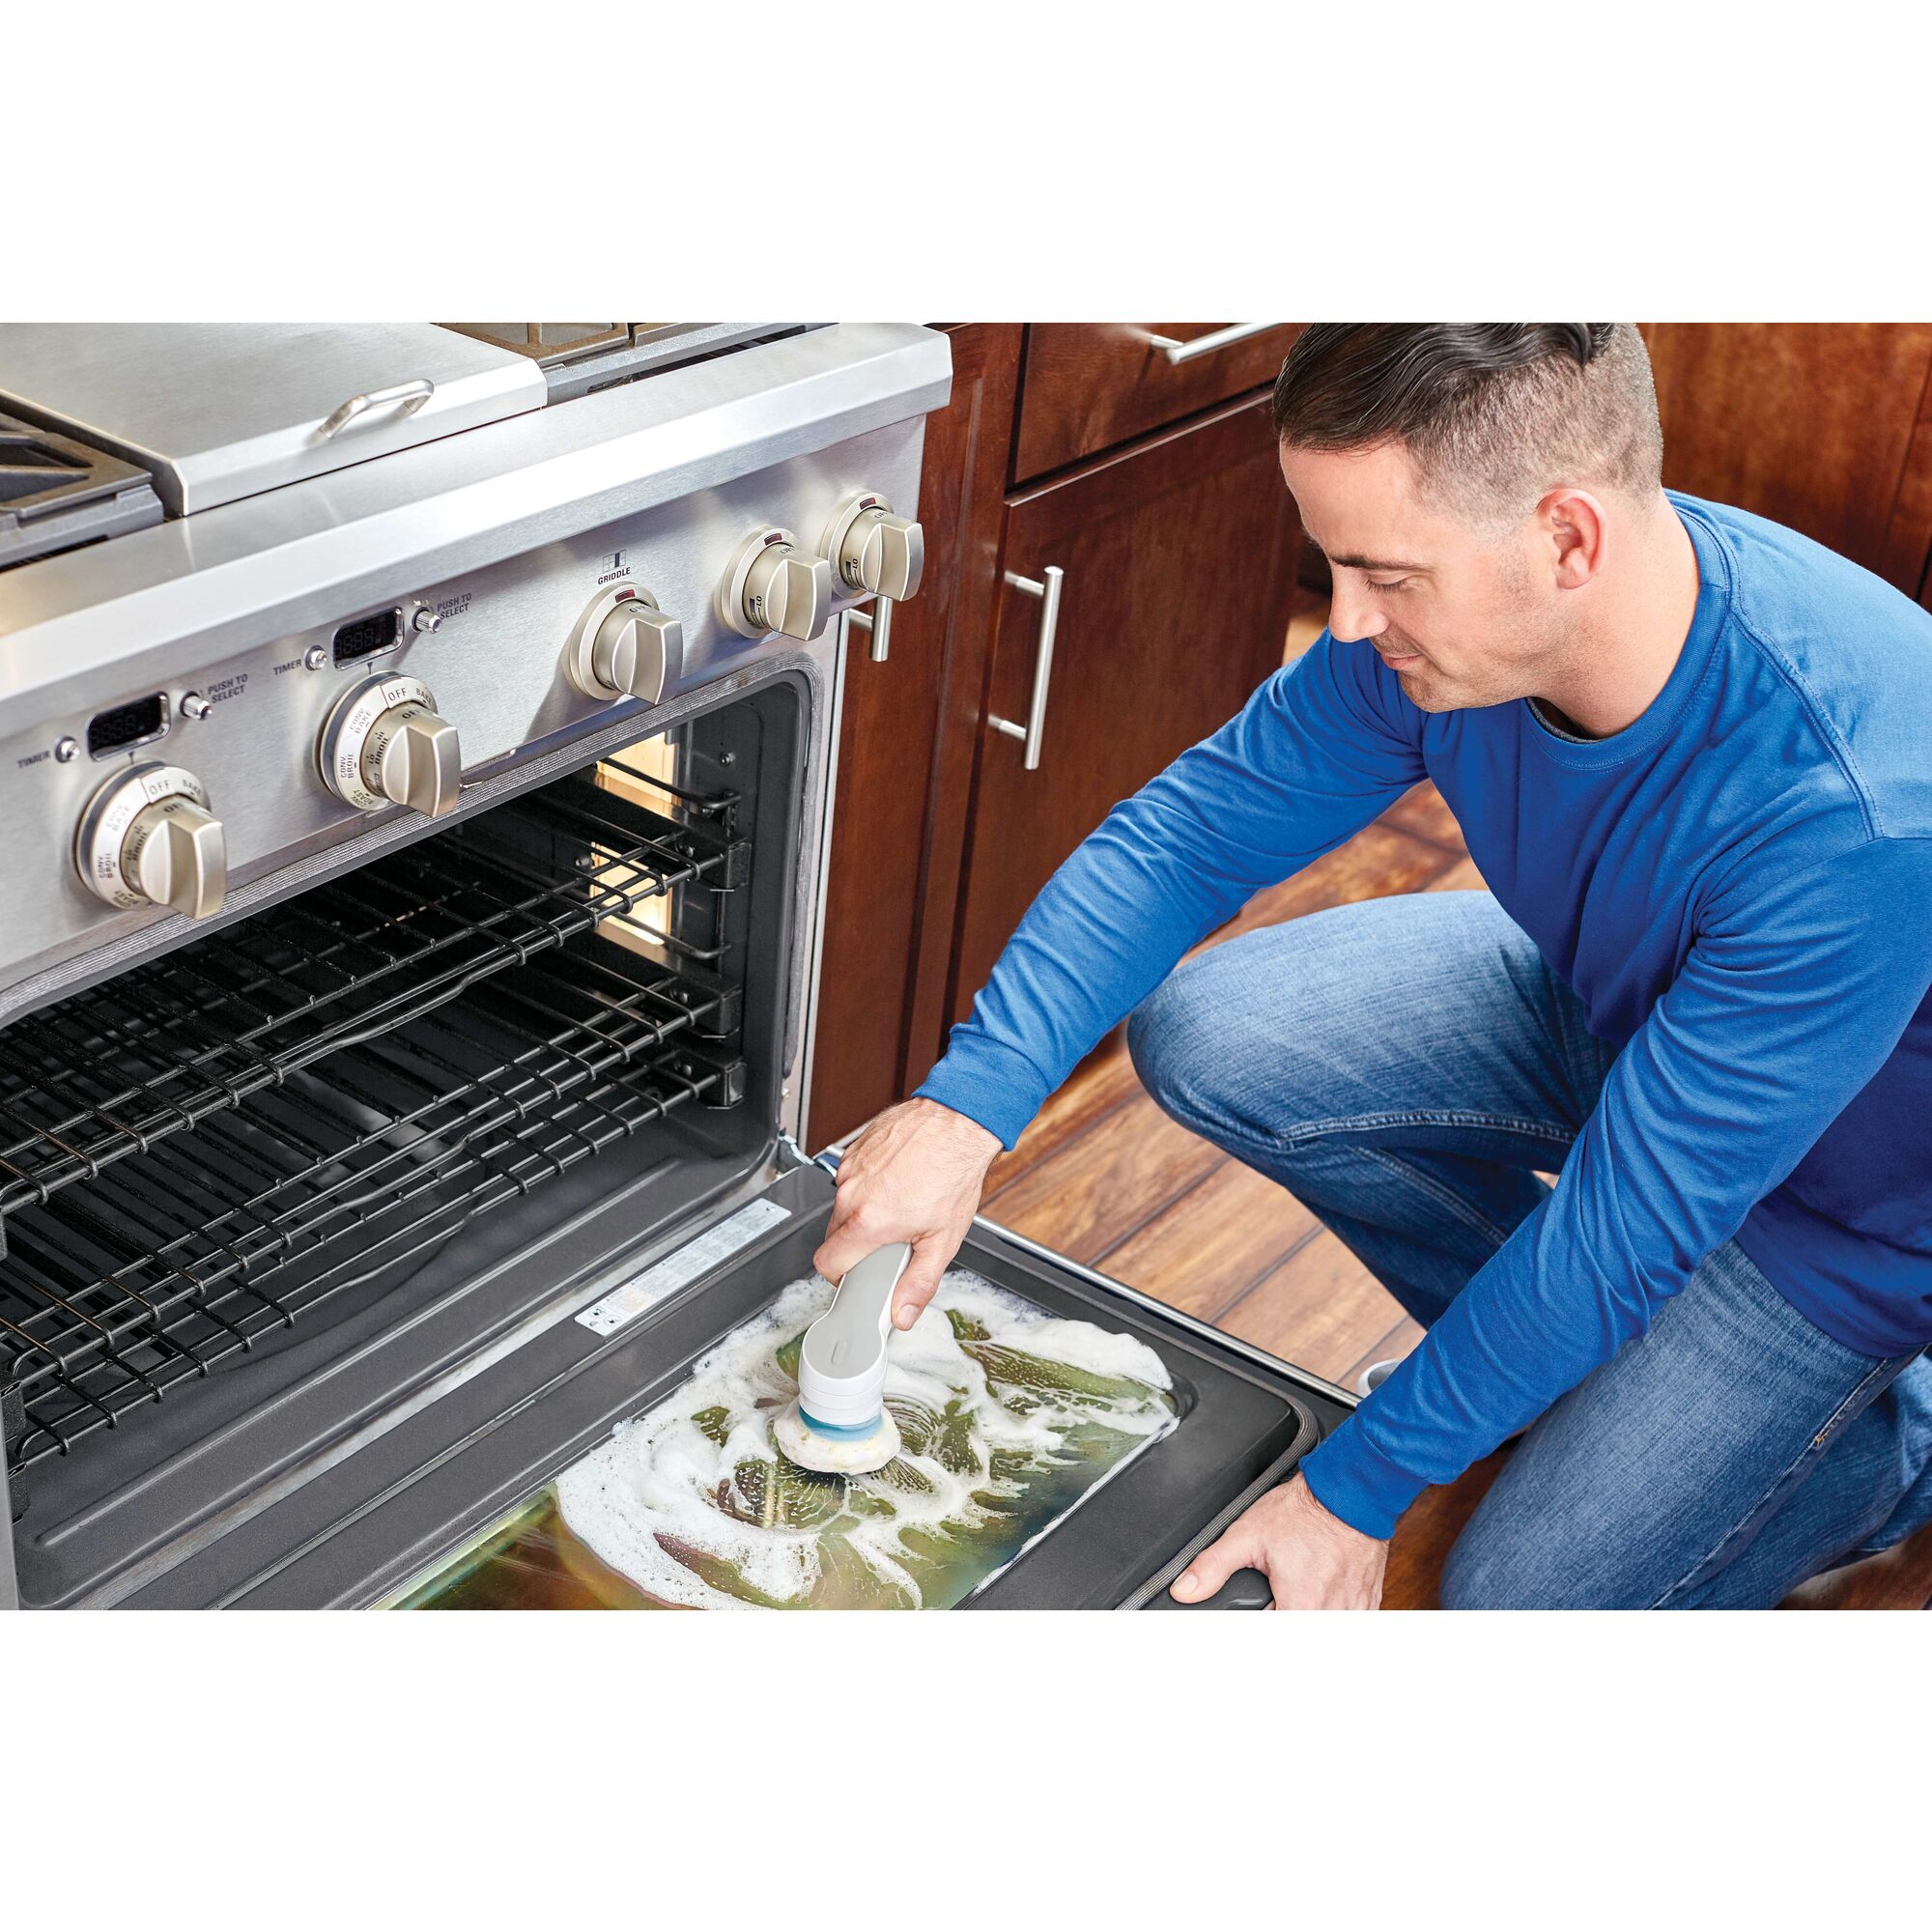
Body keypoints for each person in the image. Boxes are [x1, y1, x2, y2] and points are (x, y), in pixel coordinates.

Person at [812, 324, 1932, 1609]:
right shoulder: (1456, 613)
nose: (1345, 620)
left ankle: (1877, 1452)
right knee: (1219, 1033)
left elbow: (1632, 1224)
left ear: (1570, 540)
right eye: (1335, 564)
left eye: (1387, 576)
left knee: (1514, 1596)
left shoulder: (1854, 811)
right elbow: (1188, 836)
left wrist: (1355, 1489)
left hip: (1843, 1213)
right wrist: (968, 1106)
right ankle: (1584, 1384)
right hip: (1630, 1015)